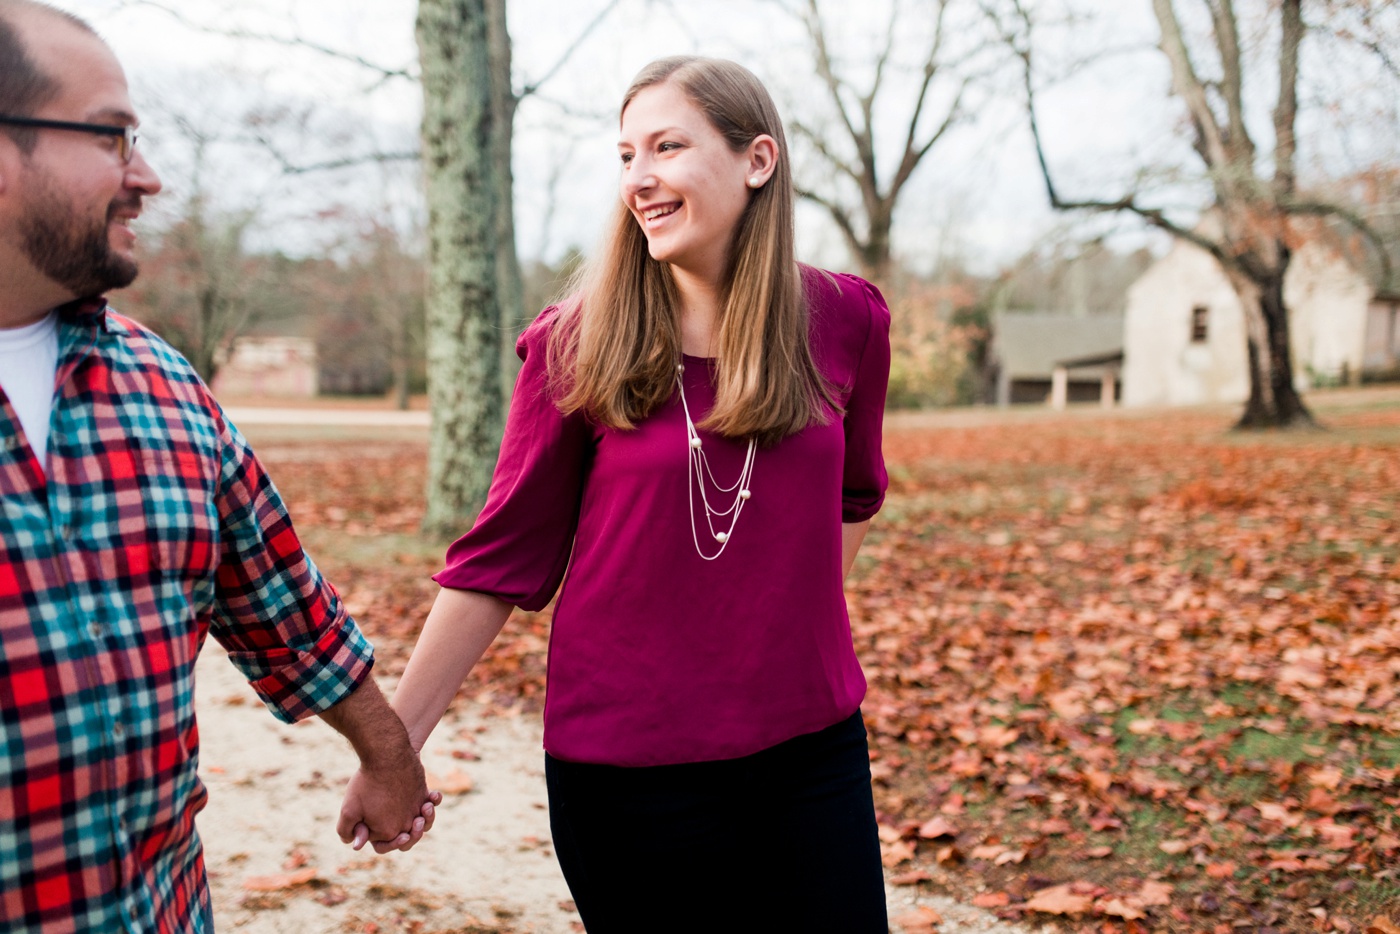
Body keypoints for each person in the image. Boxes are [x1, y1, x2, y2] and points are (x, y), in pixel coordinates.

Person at [369, 56, 892, 932]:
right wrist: (394, 748)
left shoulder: (846, 321)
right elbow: (499, 558)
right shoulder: (575, 344)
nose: (638, 179)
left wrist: (772, 635)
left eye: (667, 147)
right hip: (629, 771)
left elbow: (852, 499)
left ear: (757, 160)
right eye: (625, 156)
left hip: (812, 756)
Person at [0, 3, 437, 930]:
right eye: (114, 138)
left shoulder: (161, 386)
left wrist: (389, 756)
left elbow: (284, 607)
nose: (146, 177)